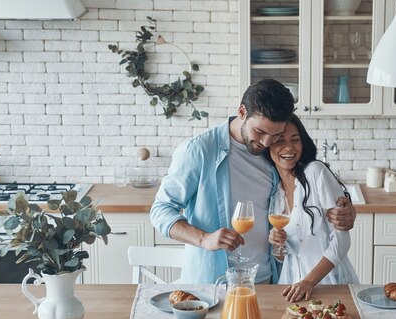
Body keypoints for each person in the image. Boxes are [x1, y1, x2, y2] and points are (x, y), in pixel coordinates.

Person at [150, 79, 356, 284]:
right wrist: (204, 238)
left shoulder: (272, 152)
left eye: (275, 134)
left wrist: (346, 212)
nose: (266, 142)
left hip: (269, 279)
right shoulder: (199, 151)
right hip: (216, 282)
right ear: (242, 112)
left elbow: (302, 196)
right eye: (260, 132)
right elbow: (160, 210)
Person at [266, 114, 359, 301]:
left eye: (295, 140)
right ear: (268, 146)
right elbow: (286, 257)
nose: (289, 147)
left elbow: (342, 240)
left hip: (330, 284)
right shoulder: (275, 194)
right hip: (292, 287)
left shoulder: (316, 172)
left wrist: (309, 281)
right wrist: (277, 246)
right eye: (280, 140)